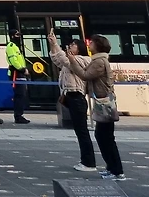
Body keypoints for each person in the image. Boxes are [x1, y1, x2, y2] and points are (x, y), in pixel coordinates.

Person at [67, 34, 126, 181]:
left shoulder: (99, 62)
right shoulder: (97, 60)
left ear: (98, 45)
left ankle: (117, 170)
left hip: (104, 102)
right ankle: (112, 168)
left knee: (105, 137)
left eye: (92, 43)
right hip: (102, 101)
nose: (89, 45)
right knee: (102, 135)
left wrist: (72, 61)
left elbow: (85, 75)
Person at [49, 31, 96, 172]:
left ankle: (89, 162)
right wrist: (53, 45)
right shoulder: (71, 60)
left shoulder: (82, 60)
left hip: (77, 97)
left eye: (73, 45)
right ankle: (86, 161)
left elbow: (65, 61)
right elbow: (57, 60)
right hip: (71, 97)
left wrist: (56, 44)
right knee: (80, 130)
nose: (70, 46)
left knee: (82, 131)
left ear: (80, 48)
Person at [6, 29, 30, 124]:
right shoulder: (11, 46)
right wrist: (23, 69)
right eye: (17, 35)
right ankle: (18, 116)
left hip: (19, 73)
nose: (19, 37)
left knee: (21, 95)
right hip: (16, 73)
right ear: (12, 36)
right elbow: (14, 61)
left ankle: (19, 115)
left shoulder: (15, 46)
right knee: (20, 95)